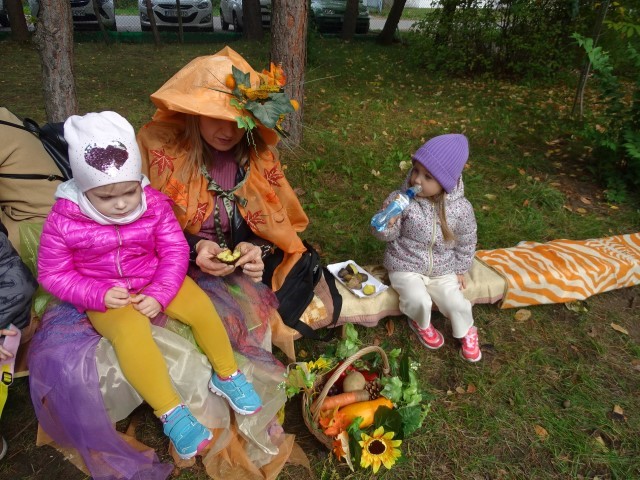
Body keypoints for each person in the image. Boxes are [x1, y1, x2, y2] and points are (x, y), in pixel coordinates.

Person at [36, 111, 264, 460]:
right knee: (130, 334)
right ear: (83, 189)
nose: (121, 203)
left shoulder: (153, 203)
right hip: (105, 293)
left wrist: (160, 292)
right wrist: (97, 293)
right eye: (106, 198)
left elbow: (174, 250)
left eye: (129, 192)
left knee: (200, 306)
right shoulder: (65, 218)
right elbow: (52, 273)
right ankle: (171, 411)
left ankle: (227, 373)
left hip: (153, 275)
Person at [137, 46, 310, 359]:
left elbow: (276, 223)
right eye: (217, 117)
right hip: (176, 261)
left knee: (294, 278)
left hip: (235, 264)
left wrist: (256, 249)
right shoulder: (164, 152)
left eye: (238, 120)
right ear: (195, 113)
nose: (228, 131)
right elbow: (140, 224)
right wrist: (196, 249)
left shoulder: (257, 158)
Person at [371, 133, 481, 362]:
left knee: (455, 302)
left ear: (446, 183)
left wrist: (461, 268)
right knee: (417, 299)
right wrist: (387, 222)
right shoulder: (401, 200)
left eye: (427, 176)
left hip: (442, 268)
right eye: (416, 171)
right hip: (405, 264)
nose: (417, 180)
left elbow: (467, 239)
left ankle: (467, 330)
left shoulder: (460, 209)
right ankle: (420, 322)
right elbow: (385, 236)